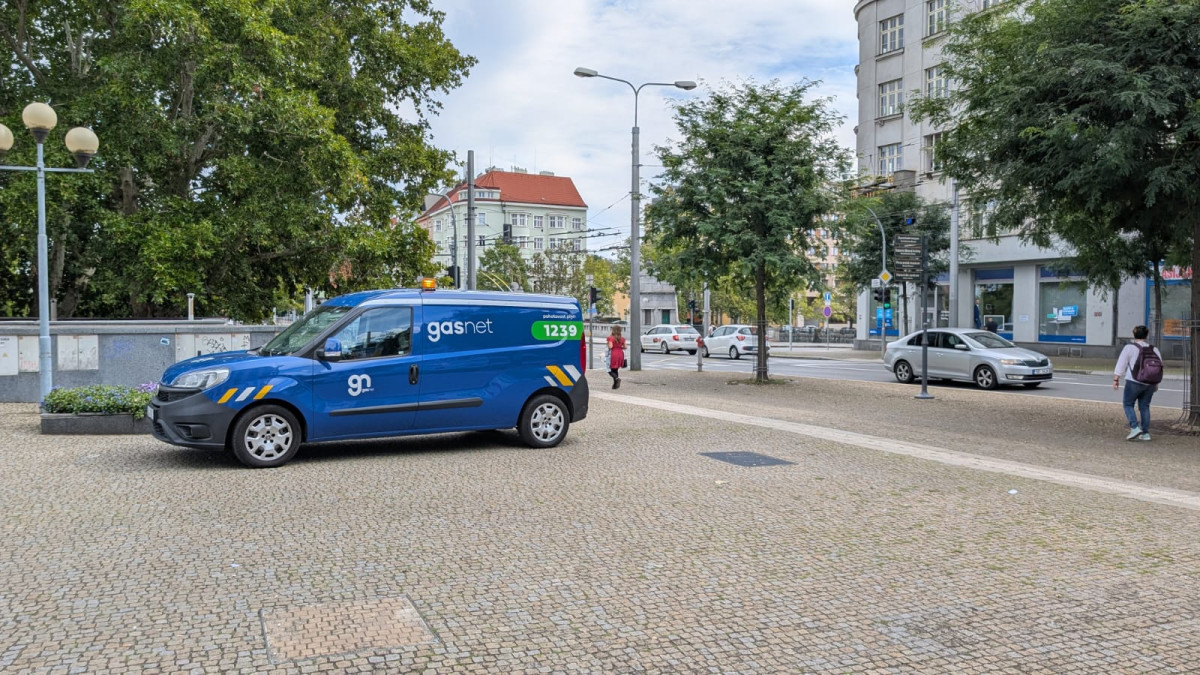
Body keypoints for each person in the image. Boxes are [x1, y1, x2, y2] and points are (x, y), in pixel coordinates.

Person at [1113, 325, 1162, 441]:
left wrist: (1116, 379)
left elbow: (1121, 364)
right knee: (1144, 407)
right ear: (1146, 335)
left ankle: (1134, 427)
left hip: (1133, 381)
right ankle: (1145, 433)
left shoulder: (1129, 348)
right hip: (1149, 383)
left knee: (1128, 404)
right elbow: (1159, 367)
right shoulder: (1154, 349)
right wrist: (1155, 383)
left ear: (1134, 334)